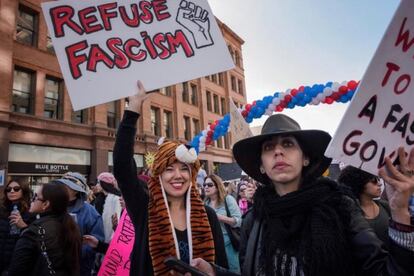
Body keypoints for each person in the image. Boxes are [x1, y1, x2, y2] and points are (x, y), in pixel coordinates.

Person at [190, 113, 414, 275]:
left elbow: (386, 271)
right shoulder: (254, 220)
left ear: (305, 158)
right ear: (262, 165)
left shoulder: (341, 207)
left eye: (288, 144)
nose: (278, 151)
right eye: (269, 148)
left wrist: (400, 212)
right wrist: (214, 272)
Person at [113, 81, 228, 275]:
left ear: (191, 175)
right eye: (168, 169)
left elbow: (222, 267)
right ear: (158, 175)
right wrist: (132, 110)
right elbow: (123, 167)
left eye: (184, 168)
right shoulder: (144, 209)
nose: (177, 175)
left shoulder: (209, 216)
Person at [8, 182, 81, 276]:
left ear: (45, 204)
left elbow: (16, 270)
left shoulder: (32, 232)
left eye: (36, 197)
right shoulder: (71, 226)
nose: (32, 200)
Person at [57, 175, 104, 276]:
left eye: (66, 186)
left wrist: (75, 252)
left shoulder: (90, 212)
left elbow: (97, 239)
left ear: (76, 191)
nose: (61, 188)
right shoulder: (53, 207)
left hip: (80, 267)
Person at [338, 166, 390, 248]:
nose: (379, 184)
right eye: (373, 181)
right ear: (359, 183)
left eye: (378, 179)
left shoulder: (385, 206)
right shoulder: (350, 214)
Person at [204, 174, 242, 273]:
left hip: (229, 244)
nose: (206, 187)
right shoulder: (205, 204)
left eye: (209, 184)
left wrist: (219, 217)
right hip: (213, 245)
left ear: (217, 186)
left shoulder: (228, 199)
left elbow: (238, 221)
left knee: (232, 271)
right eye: (204, 185)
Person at [0, 179, 32, 274]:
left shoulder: (31, 212)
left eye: (16, 188)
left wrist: (23, 226)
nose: (12, 191)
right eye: (8, 189)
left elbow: (36, 239)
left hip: (18, 264)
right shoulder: (2, 210)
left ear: (24, 191)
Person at [97, 172, 122, 243]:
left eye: (98, 183)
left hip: (111, 238)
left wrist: (112, 238)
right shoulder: (100, 198)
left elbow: (117, 219)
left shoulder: (116, 198)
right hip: (102, 236)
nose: (97, 185)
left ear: (104, 184)